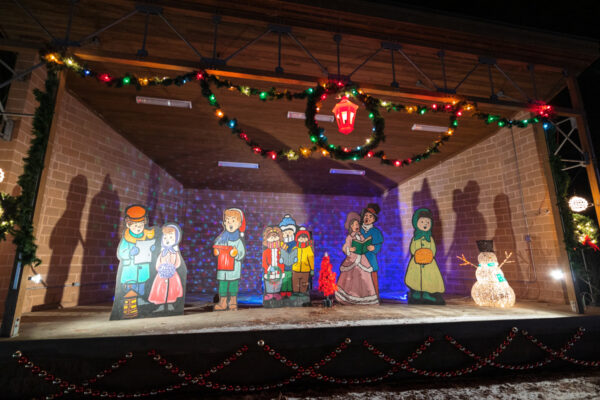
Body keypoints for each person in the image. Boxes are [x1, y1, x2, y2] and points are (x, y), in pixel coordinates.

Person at [335, 212, 379, 305]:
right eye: (355, 224)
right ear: (351, 226)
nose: (357, 226)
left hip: (362, 259)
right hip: (352, 259)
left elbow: (363, 242)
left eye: (357, 224)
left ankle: (363, 297)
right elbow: (345, 247)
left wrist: (365, 245)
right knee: (352, 278)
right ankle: (350, 296)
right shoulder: (350, 237)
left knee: (364, 277)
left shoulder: (361, 235)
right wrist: (350, 249)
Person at [404, 208, 445, 305]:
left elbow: (433, 249)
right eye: (422, 222)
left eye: (427, 222)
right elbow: (413, 249)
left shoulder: (430, 238)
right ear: (416, 223)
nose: (425, 224)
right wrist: (418, 253)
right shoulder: (415, 238)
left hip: (429, 263)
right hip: (416, 263)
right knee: (416, 278)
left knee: (429, 278)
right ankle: (417, 293)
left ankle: (427, 293)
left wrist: (428, 254)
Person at [213, 208, 246, 311]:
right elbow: (216, 247)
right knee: (222, 285)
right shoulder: (221, 238)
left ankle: (233, 302)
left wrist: (236, 254)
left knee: (233, 285)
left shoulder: (238, 241)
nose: (230, 224)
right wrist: (216, 252)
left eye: (233, 221)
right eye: (228, 221)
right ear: (224, 223)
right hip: (223, 268)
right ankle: (223, 302)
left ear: (239, 224)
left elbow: (241, 253)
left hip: (234, 269)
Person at [148, 224, 185, 312]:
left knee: (171, 288)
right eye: (165, 238)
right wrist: (160, 268)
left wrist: (172, 267)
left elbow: (178, 262)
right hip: (161, 274)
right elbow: (158, 262)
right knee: (160, 288)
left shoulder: (174, 252)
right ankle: (161, 304)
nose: (167, 240)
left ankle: (170, 304)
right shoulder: (162, 252)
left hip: (172, 274)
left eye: (171, 238)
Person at [360, 204, 383, 296]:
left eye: (370, 216)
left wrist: (374, 248)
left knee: (372, 278)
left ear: (373, 219)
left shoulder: (376, 231)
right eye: (366, 216)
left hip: (370, 259)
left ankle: (373, 296)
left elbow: (379, 244)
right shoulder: (358, 229)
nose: (367, 218)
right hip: (360, 259)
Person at [292, 227, 314, 294]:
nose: (302, 239)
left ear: (307, 239)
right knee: (295, 281)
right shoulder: (295, 248)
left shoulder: (308, 248)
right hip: (296, 269)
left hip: (306, 269)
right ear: (297, 239)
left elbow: (311, 258)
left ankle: (303, 292)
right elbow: (291, 257)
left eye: (304, 238)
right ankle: (295, 292)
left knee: (304, 282)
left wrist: (312, 269)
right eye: (301, 238)